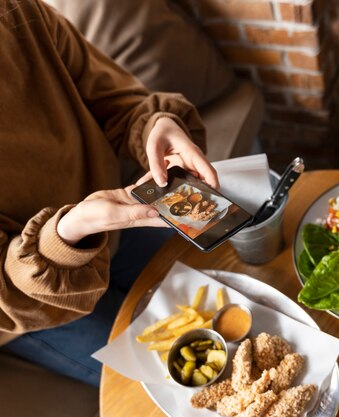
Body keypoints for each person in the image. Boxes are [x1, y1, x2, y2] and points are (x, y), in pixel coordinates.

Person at [0, 0, 219, 386]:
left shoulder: (18, 14)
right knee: (187, 376)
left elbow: (118, 102)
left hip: (121, 224)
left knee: (241, 257)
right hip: (33, 305)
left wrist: (155, 125)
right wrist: (66, 234)